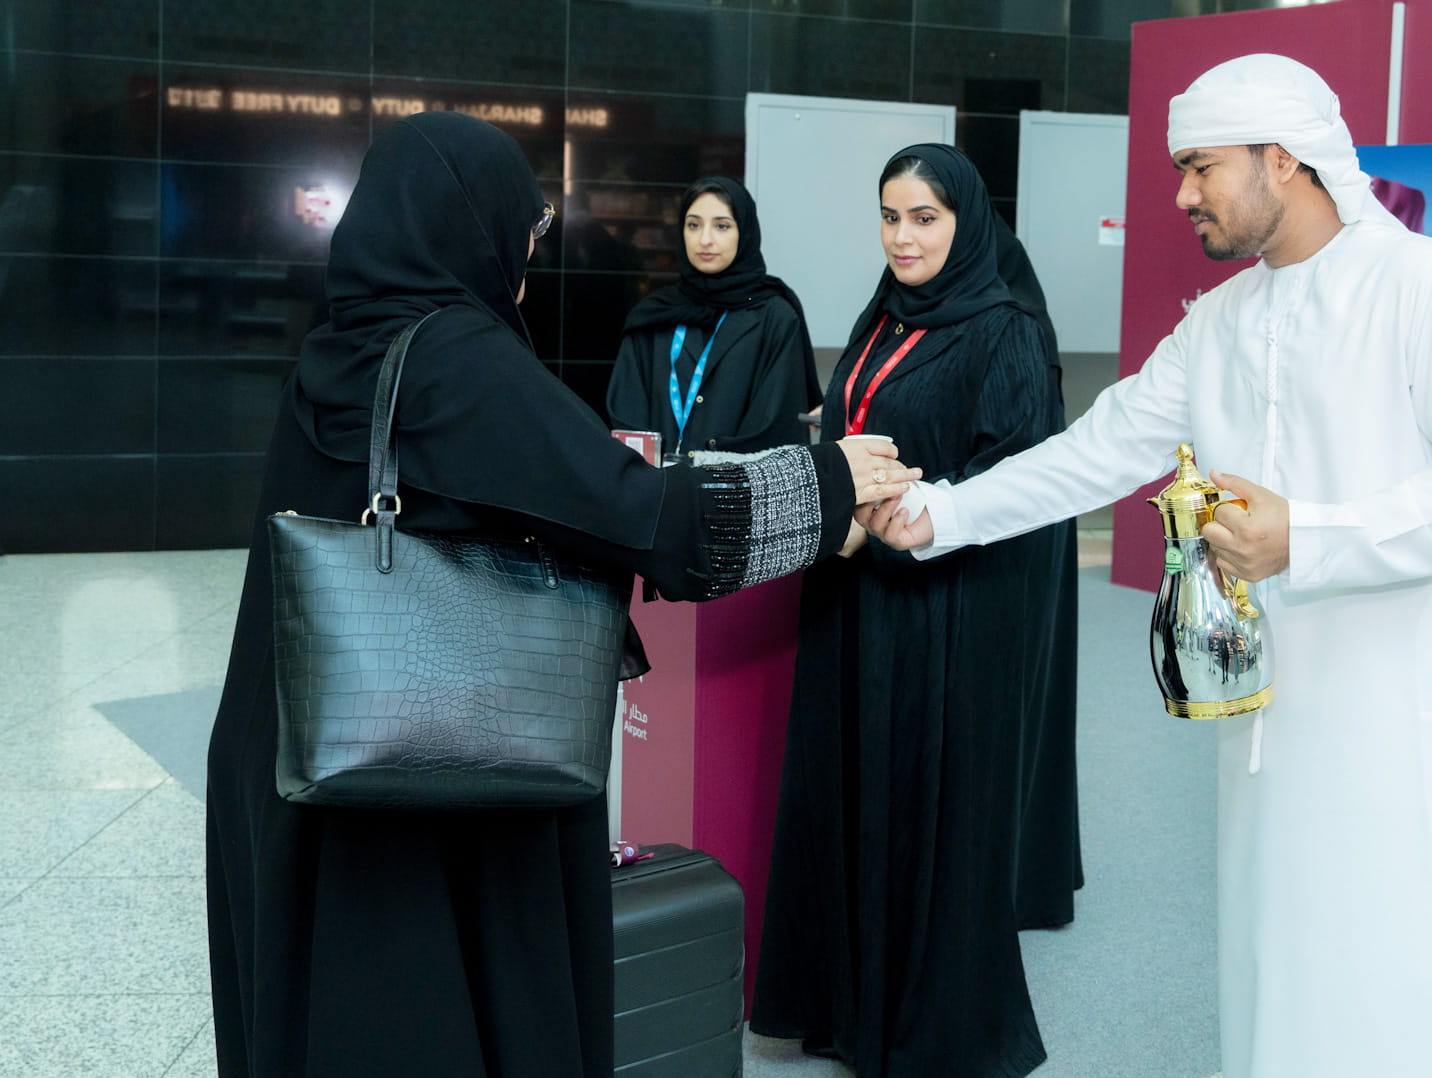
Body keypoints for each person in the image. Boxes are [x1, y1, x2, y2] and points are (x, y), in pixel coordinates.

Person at [203, 111, 919, 1077]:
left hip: (305, 751)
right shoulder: (459, 358)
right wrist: (828, 482)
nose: (528, 256)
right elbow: (641, 517)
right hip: (428, 775)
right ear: (472, 224)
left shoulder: (340, 348)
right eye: (524, 230)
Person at [869, 55, 1432, 1078]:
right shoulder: (1221, 324)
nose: (1181, 193)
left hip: (1415, 710)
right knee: (1286, 964)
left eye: (1201, 167)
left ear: (1285, 160)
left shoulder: (1431, 288)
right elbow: (1097, 448)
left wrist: (1305, 537)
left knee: (1419, 973)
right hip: (1280, 719)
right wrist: (943, 512)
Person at [750, 144, 1082, 1077]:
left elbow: (1021, 480)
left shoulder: (1004, 328)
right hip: (857, 594)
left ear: (964, 222)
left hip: (944, 615)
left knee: (923, 807)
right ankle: (847, 1004)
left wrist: (924, 502)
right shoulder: (886, 313)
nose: (903, 236)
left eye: (924, 218)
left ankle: (923, 1028)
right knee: (849, 790)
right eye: (890, 216)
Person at [606, 177, 820, 458]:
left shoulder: (775, 317)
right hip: (656, 492)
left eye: (722, 226)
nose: (705, 239)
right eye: (693, 225)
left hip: (737, 493)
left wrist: (706, 469)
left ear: (744, 233)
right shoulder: (653, 315)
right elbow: (626, 412)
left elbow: (776, 424)